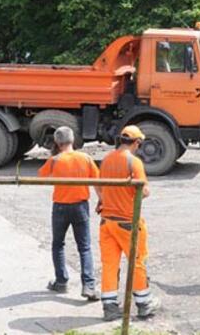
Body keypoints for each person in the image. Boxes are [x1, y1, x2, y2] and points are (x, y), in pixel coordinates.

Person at [98, 125, 160, 321]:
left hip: (106, 222)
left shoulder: (107, 159)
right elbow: (144, 191)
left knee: (109, 264)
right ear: (137, 143)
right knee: (137, 261)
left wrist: (104, 200)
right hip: (127, 222)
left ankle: (110, 307)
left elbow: (99, 186)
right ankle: (143, 303)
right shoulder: (134, 162)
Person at [38, 126, 100, 301]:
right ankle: (88, 286)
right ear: (73, 140)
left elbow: (41, 176)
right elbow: (98, 181)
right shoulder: (85, 158)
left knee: (58, 244)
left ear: (57, 143)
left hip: (60, 207)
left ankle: (61, 281)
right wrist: (101, 200)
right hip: (80, 206)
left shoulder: (56, 160)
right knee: (85, 247)